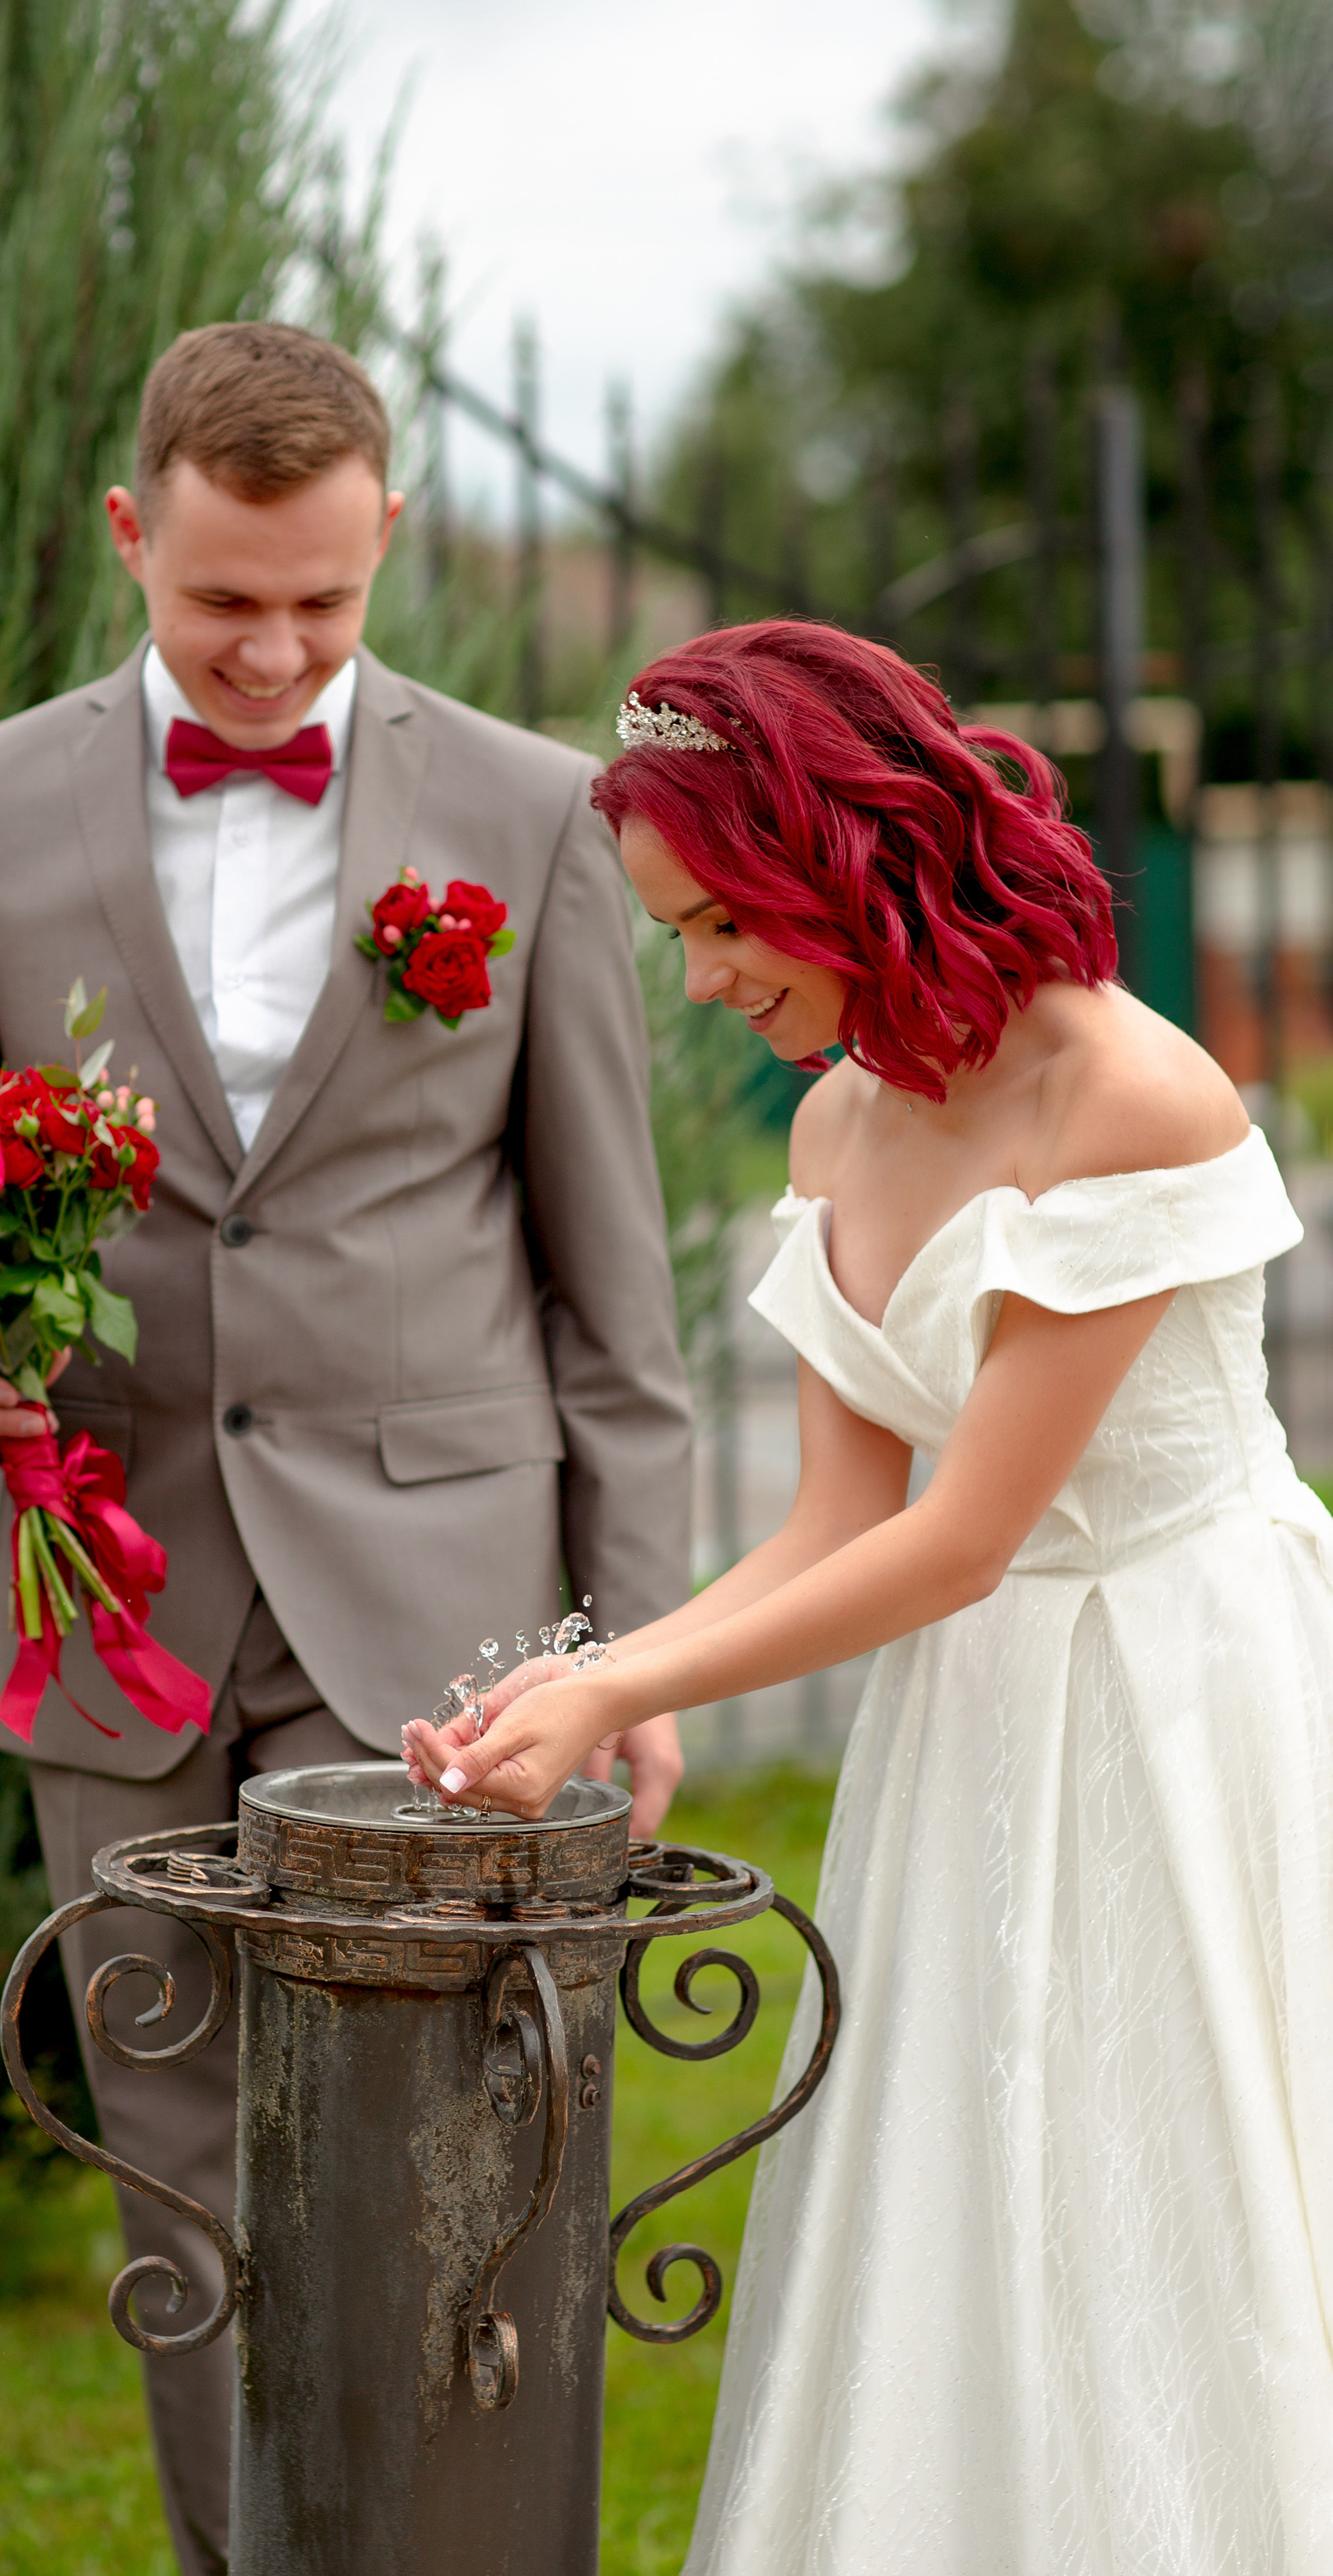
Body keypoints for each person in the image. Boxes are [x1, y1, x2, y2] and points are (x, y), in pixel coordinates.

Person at [0, 323, 692, 2576]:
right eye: (221, 596)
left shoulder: (530, 810)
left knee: (463, 2158)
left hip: (449, 1614)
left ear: (390, 539)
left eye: (322, 601)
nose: (268, 650)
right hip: (108, 1594)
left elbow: (614, 1286)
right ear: (129, 533)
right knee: (179, 2174)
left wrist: (638, 1651)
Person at [409, 621, 1333, 2573]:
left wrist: (612, 1695)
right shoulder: (838, 1123)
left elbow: (964, 1532)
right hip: (973, 1704)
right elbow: (840, 1516)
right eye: (674, 934)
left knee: (1164, 2175)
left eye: (720, 921)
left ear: (841, 853)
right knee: (970, 2176)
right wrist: (589, 1676)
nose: (702, 977)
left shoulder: (1126, 1094)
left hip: (1179, 1690)